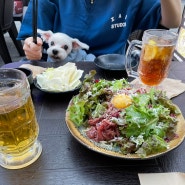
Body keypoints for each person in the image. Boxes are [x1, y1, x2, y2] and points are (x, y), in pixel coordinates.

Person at [18, 0, 182, 62]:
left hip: (112, 73)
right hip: (58, 71)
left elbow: (171, 21)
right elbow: (32, 37)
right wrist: (33, 48)